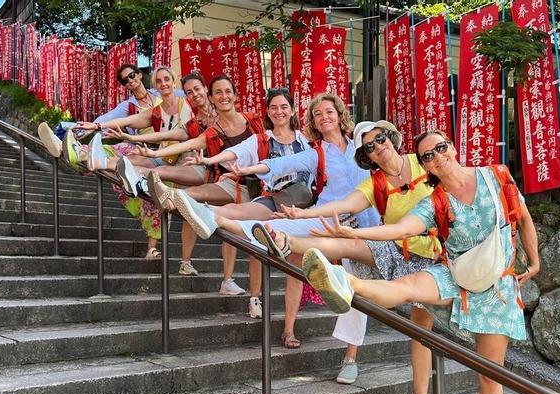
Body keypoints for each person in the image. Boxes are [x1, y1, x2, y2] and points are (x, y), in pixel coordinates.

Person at [300, 130, 540, 394]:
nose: (436, 157)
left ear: (454, 148)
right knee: (409, 287)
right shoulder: (436, 201)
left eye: (440, 148)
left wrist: (534, 262)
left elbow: (522, 218)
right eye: (427, 156)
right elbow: (402, 228)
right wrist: (356, 237)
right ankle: (344, 283)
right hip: (456, 274)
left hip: (497, 290)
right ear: (424, 166)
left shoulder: (496, 175)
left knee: (491, 376)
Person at [146, 93, 379, 350]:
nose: (324, 117)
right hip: (321, 217)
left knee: (354, 292)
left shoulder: (360, 146)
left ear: (339, 114)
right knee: (269, 227)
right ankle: (210, 216)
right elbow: (279, 164)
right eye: (317, 114)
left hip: (363, 227)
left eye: (328, 112)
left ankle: (350, 357)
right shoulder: (315, 153)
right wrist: (243, 169)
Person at [252, 120, 435, 394]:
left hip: (431, 259)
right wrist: (304, 213)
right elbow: (344, 204)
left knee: (421, 331)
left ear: (392, 137)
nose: (378, 147)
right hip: (393, 249)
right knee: (349, 248)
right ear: (368, 157)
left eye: (381, 139)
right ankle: (286, 241)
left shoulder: (423, 161)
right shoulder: (373, 183)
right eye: (370, 147)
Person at [147, 87, 313, 317]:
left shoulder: (307, 141)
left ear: (293, 110)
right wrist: (209, 159)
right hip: (276, 201)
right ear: (267, 111)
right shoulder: (261, 139)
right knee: (248, 225)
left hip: (307, 207)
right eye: (273, 107)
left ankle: (288, 328)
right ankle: (185, 202)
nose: (279, 111)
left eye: (284, 106)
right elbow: (235, 152)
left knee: (291, 262)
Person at [113, 75, 266, 294]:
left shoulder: (253, 120)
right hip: (229, 183)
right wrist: (148, 147)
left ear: (234, 94)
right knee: (190, 197)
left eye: (227, 91)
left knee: (252, 243)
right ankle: (148, 186)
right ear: (212, 97)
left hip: (259, 189)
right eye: (218, 93)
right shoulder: (208, 129)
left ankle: (253, 297)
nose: (223, 96)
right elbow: (182, 138)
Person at [35, 64, 187, 259]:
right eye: (125, 80)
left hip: (170, 156)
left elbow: (194, 95)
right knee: (120, 151)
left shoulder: (171, 95)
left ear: (140, 75)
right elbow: (107, 120)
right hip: (142, 150)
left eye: (132, 75)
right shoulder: (129, 107)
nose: (130, 80)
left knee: (156, 197)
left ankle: (152, 248)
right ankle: (72, 148)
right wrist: (80, 128)